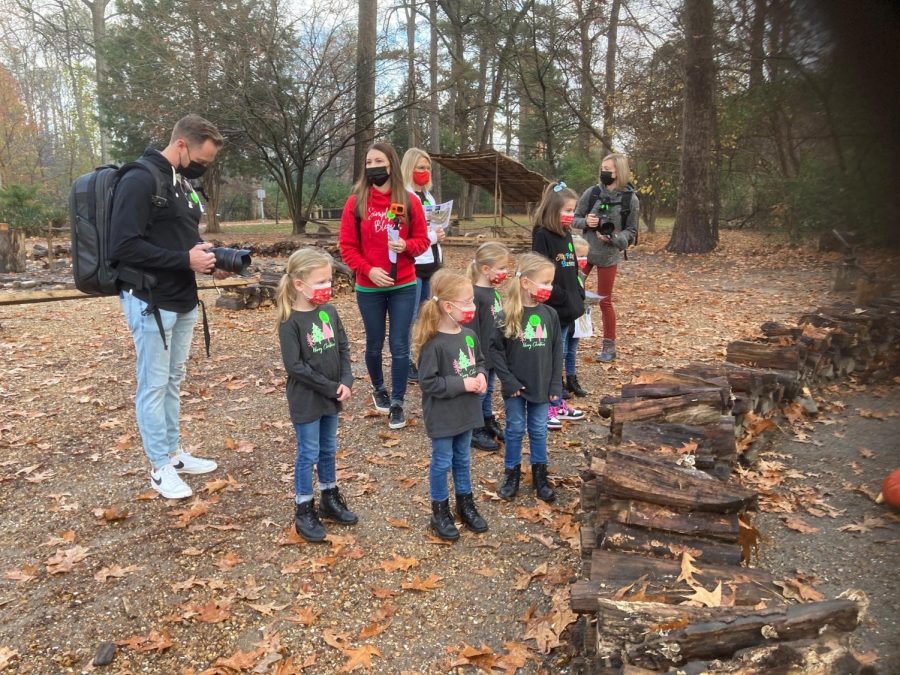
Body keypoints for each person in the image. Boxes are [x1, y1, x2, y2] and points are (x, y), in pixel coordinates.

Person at [110, 114, 224, 499]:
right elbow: (122, 246)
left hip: (183, 298)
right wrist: (184, 260)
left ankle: (174, 453)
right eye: (202, 159)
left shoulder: (180, 183)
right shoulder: (140, 179)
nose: (203, 167)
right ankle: (159, 466)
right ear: (181, 146)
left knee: (174, 379)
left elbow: (182, 239)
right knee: (154, 384)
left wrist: (210, 260)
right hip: (150, 300)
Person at [338, 142, 430, 430]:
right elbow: (347, 247)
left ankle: (399, 402)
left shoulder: (410, 202)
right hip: (370, 287)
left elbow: (422, 241)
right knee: (375, 343)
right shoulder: (356, 202)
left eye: (378, 161)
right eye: (368, 162)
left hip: (403, 283)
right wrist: (368, 270)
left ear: (390, 164)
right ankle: (379, 388)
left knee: (400, 344)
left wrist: (406, 245)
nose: (373, 167)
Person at [276, 248, 357, 542]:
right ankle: (303, 506)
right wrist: (329, 386)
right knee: (308, 452)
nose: (328, 288)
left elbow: (344, 347)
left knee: (327, 449)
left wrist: (346, 380)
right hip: (307, 399)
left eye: (329, 281)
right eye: (321, 282)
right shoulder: (290, 320)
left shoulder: (329, 312)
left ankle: (329, 495)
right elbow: (294, 366)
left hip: (332, 396)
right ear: (299, 284)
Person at [413, 270, 490, 541]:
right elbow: (429, 383)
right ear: (448, 306)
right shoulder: (433, 344)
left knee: (463, 459)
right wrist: (464, 384)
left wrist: (480, 375)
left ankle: (465, 503)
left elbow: (479, 361)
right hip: (443, 416)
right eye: (467, 302)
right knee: (442, 461)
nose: (472, 307)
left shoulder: (468, 335)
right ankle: (440, 510)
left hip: (467, 411)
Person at [490, 252, 562, 503]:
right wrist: (508, 381)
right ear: (525, 283)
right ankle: (512, 475)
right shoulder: (506, 314)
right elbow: (495, 351)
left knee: (539, 430)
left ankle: (540, 476)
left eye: (550, 283)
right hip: (515, 388)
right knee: (515, 429)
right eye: (544, 282)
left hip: (542, 385)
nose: (548, 288)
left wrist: (555, 384)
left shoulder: (550, 315)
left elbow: (556, 351)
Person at [572, 153, 639, 362]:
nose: (604, 172)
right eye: (602, 168)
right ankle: (566, 338)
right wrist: (587, 222)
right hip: (585, 252)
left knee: (605, 301)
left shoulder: (630, 199)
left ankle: (609, 346)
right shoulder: (591, 193)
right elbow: (574, 218)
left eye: (608, 169)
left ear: (619, 171)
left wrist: (615, 238)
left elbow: (632, 232)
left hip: (609, 255)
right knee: (572, 293)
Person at [531, 181, 586, 428]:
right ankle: (547, 405)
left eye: (573, 211)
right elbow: (540, 272)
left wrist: (578, 294)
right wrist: (562, 296)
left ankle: (557, 400)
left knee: (561, 355)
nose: (571, 215)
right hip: (553, 308)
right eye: (566, 210)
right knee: (551, 358)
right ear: (553, 209)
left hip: (568, 310)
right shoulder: (542, 235)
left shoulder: (567, 235)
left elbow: (572, 269)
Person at [401, 148, 446, 383]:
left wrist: (439, 234)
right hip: (413, 263)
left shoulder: (429, 197)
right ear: (410, 168)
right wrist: (431, 237)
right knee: (409, 317)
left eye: (428, 168)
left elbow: (433, 227)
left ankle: (424, 358)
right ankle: (408, 361)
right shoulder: (402, 197)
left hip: (433, 262)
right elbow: (401, 233)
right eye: (420, 167)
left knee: (428, 315)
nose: (425, 172)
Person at [468, 241, 511, 452]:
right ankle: (474, 429)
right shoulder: (475, 295)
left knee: (490, 389)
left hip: (494, 353)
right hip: (481, 358)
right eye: (502, 268)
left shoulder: (494, 292)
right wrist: (477, 360)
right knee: (480, 392)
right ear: (486, 269)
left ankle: (486, 420)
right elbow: (471, 331)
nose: (505, 272)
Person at [565, 235, 592, 398]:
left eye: (585, 256)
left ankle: (571, 378)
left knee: (572, 350)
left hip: (579, 319)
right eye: (579, 255)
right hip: (567, 317)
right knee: (563, 349)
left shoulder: (581, 275)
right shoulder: (564, 276)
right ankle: (558, 380)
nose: (582, 260)